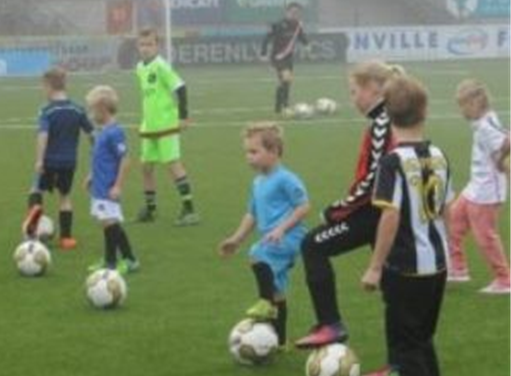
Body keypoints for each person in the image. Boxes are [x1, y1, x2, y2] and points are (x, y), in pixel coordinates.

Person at [296, 61, 400, 349]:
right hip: (385, 212)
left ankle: (330, 324)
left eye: (354, 91)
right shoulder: (388, 119)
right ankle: (400, 363)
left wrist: (337, 210)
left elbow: (374, 179)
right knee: (395, 288)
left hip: (375, 213)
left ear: (373, 89)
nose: (352, 98)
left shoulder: (382, 124)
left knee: (313, 245)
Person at [361, 75, 453, 376]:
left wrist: (375, 267)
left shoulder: (392, 162)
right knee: (422, 339)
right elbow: (448, 210)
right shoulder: (439, 156)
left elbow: (390, 215)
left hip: (405, 269)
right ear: (425, 111)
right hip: (437, 266)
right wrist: (450, 253)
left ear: (387, 114)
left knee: (405, 349)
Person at [218, 122, 310, 347]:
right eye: (246, 152)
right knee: (278, 291)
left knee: (257, 253)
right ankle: (280, 340)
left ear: (274, 151)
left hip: (290, 237)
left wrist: (281, 228)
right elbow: (252, 214)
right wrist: (236, 239)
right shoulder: (258, 182)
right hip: (274, 239)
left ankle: (264, 302)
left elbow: (304, 206)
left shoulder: (286, 178)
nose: (249, 158)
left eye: (254, 152)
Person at [447, 79, 510, 294]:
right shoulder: (483, 122)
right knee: (453, 220)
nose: (461, 111)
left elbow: (507, 140)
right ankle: (458, 269)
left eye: (463, 105)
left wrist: (501, 161)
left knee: (485, 237)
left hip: (486, 192)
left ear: (475, 102)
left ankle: (505, 280)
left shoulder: (485, 126)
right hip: (475, 186)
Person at [22, 68, 94, 249]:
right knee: (65, 197)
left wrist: (39, 160)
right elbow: (92, 134)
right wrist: (96, 152)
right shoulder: (78, 109)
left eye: (43, 87)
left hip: (49, 160)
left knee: (36, 190)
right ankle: (66, 238)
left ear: (49, 86)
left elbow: (43, 135)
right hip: (69, 162)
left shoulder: (47, 111)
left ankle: (35, 215)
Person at [134, 28, 200, 226]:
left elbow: (181, 88)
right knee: (146, 167)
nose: (145, 48)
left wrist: (183, 117)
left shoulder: (161, 66)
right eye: (142, 44)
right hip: (149, 126)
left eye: (150, 44)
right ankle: (151, 209)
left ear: (157, 46)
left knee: (173, 164)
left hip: (166, 125)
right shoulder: (139, 67)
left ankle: (189, 210)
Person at [84, 85, 138, 273]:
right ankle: (119, 259)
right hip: (99, 186)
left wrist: (118, 186)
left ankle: (119, 260)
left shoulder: (115, 132)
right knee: (108, 222)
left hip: (108, 187)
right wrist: (91, 175)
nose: (90, 114)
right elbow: (99, 157)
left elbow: (125, 159)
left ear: (102, 108)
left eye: (92, 109)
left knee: (110, 223)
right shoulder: (102, 131)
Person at [260, 2, 309, 115]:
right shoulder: (278, 24)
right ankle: (286, 106)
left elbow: (301, 36)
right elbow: (267, 38)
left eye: (297, 13)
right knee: (286, 78)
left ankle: (278, 107)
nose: (295, 14)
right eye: (293, 12)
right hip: (278, 57)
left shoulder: (297, 25)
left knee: (285, 82)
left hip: (289, 58)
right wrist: (263, 54)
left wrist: (307, 45)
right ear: (287, 12)